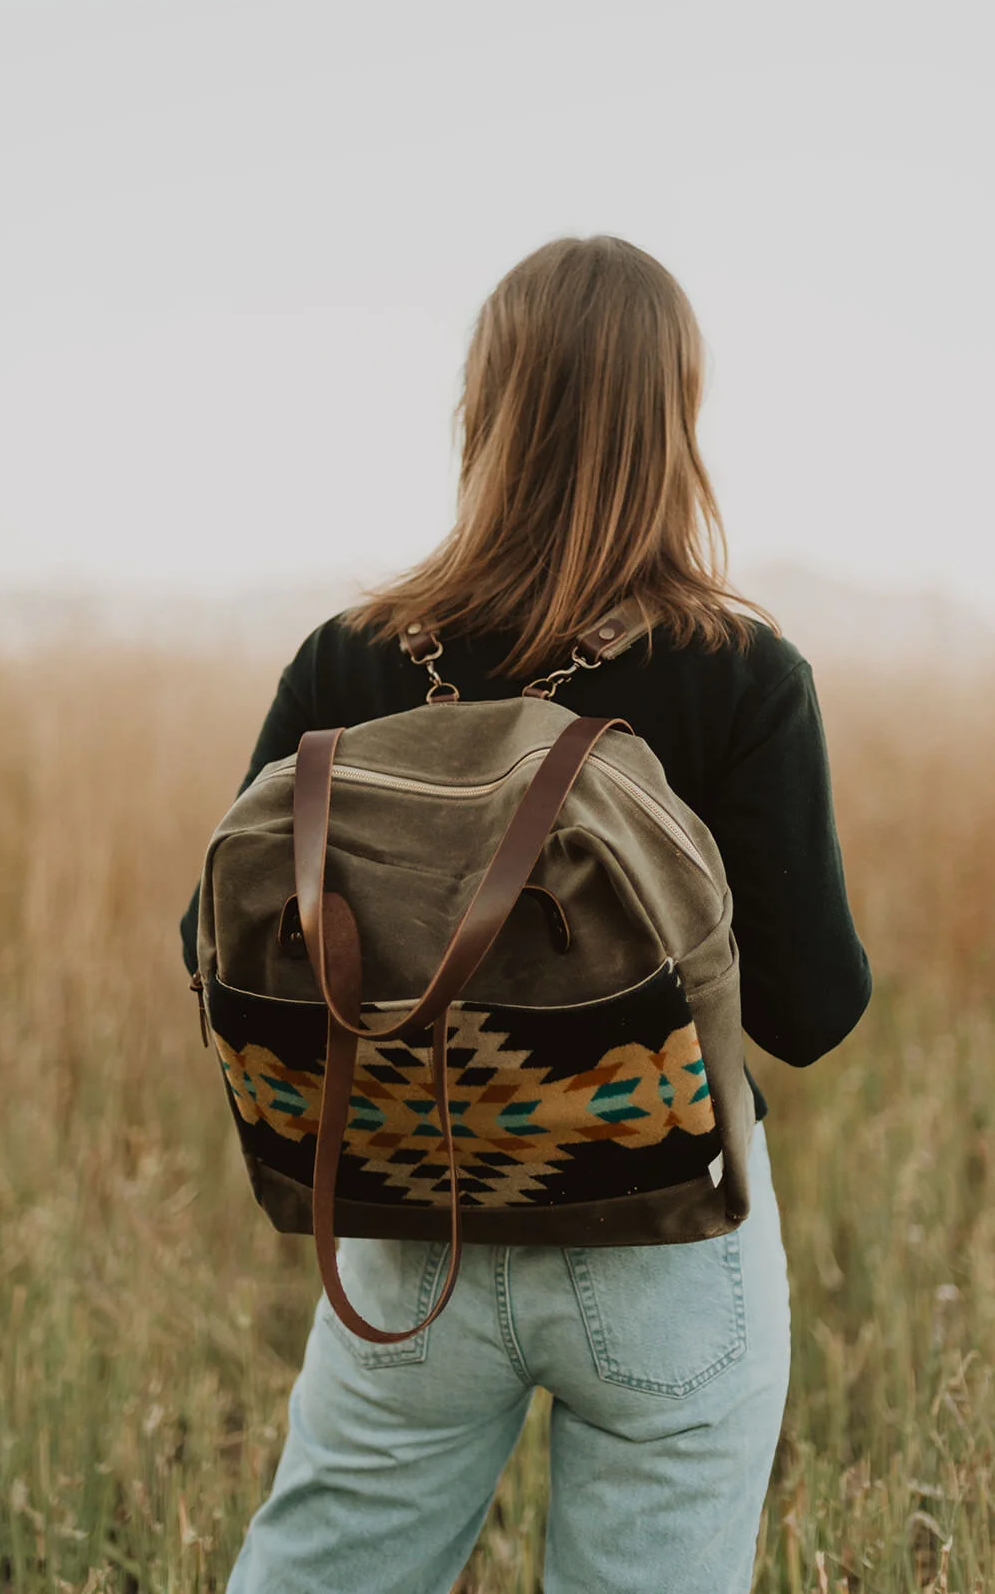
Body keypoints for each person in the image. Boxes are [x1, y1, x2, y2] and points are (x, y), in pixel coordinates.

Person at [181, 235, 871, 1594]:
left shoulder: (353, 656)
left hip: (408, 1226)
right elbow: (812, 1012)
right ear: (676, 420)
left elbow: (216, 952)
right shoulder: (742, 675)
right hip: (668, 1229)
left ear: (481, 411)